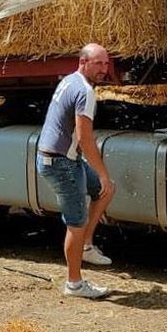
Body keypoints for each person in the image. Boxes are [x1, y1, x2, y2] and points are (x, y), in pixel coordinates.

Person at [36, 43, 117, 299]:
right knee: (76, 223)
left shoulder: (70, 80)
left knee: (105, 191)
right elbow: (85, 138)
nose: (104, 69)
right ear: (83, 62)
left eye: (106, 64)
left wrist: (102, 179)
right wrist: (102, 173)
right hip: (61, 163)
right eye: (98, 64)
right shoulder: (85, 91)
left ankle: (87, 246)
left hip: (62, 158)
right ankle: (74, 284)